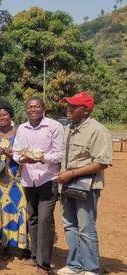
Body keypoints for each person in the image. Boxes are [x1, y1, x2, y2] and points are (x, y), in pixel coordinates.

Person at [55, 92, 113, 275]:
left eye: (73, 106)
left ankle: (90, 268)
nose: (68, 109)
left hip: (86, 187)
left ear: (86, 110)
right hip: (66, 185)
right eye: (68, 105)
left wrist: (71, 173)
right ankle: (74, 265)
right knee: (70, 225)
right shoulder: (69, 128)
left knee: (86, 228)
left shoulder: (97, 130)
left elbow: (102, 162)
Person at [12, 97, 64, 274]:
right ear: (26, 109)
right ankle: (34, 255)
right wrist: (21, 159)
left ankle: (43, 263)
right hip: (28, 179)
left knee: (44, 219)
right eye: (30, 107)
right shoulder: (22, 128)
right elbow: (16, 152)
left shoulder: (54, 126)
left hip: (48, 178)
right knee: (32, 217)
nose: (34, 109)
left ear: (43, 108)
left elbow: (59, 153)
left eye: (37, 106)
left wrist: (43, 158)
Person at [0, 101, 29, 254]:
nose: (2, 118)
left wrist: (13, 155)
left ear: (11, 115)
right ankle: (3, 244)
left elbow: (27, 153)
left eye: (5, 114)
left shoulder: (20, 133)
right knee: (0, 211)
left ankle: (20, 246)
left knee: (19, 208)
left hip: (17, 178)